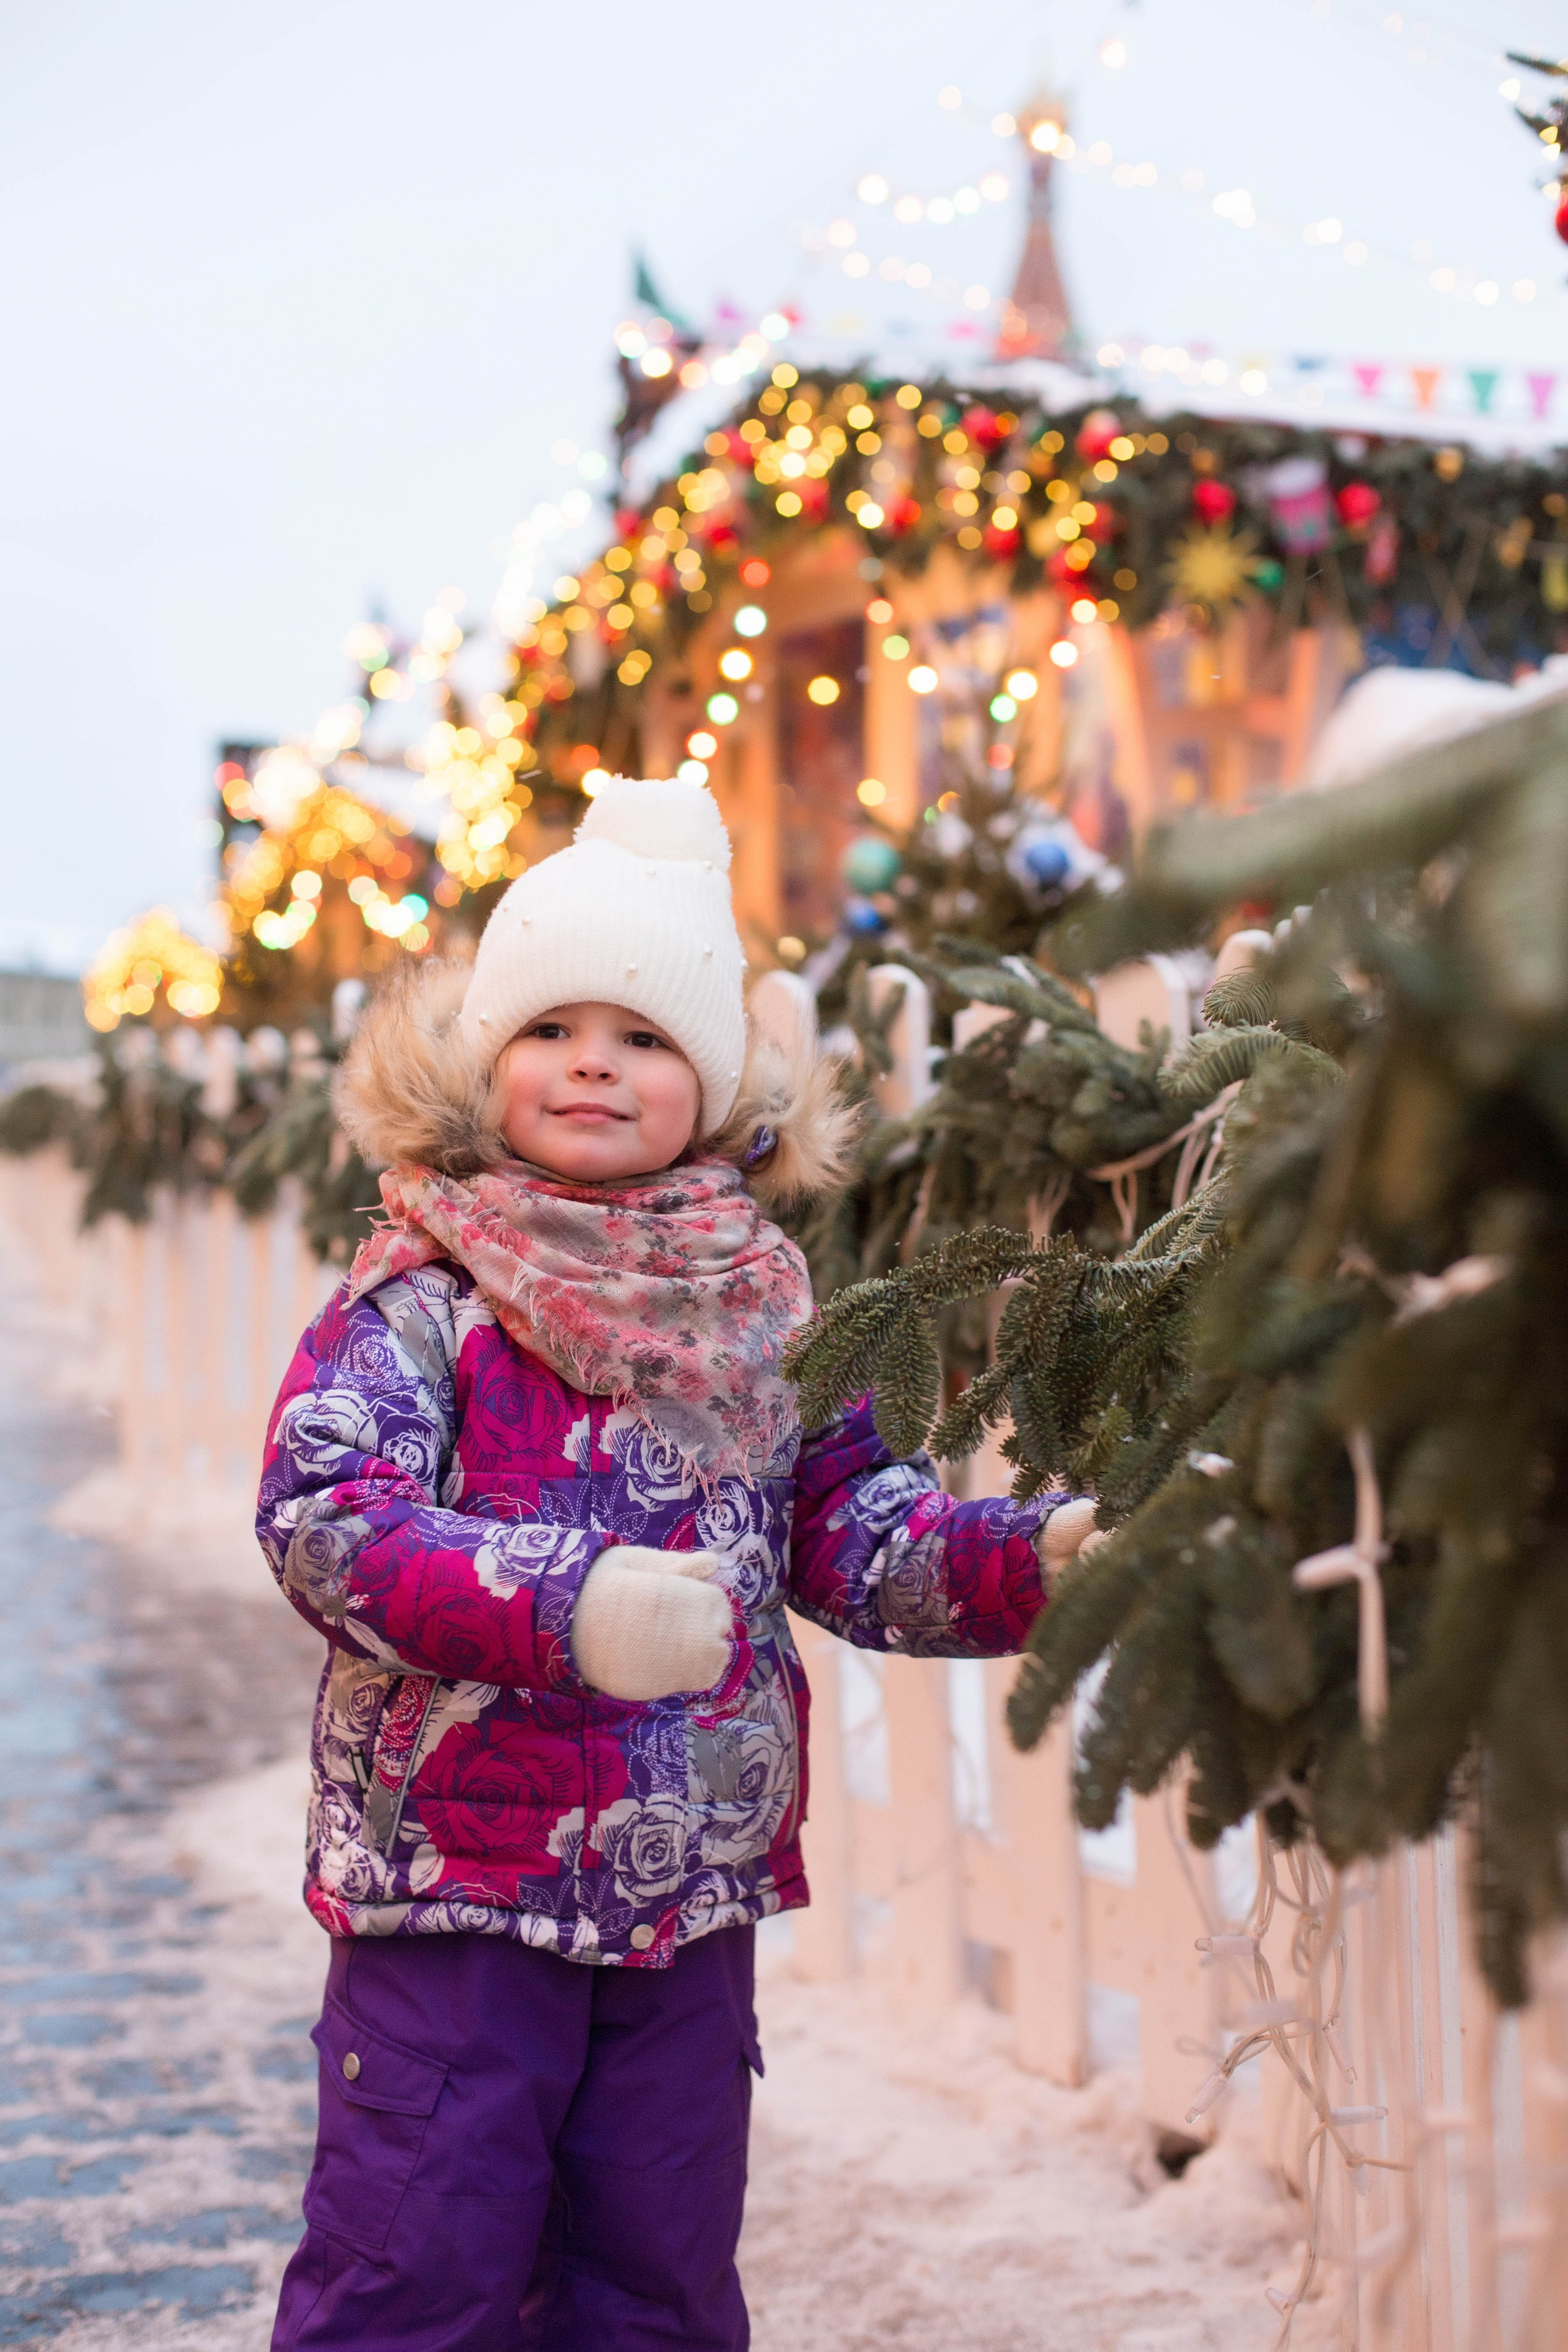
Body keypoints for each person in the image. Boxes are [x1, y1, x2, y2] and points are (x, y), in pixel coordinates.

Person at [260, 776, 1096, 2351]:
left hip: (683, 1905)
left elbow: (856, 1531)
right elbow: (329, 1518)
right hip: (455, 1894)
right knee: (413, 2271)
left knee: (654, 2285)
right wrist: (568, 1610)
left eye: (643, 1036)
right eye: (551, 1026)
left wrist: (1040, 1557)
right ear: (484, 1061)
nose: (594, 1059)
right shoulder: (426, 1298)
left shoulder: (762, 1310)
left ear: (707, 1091)